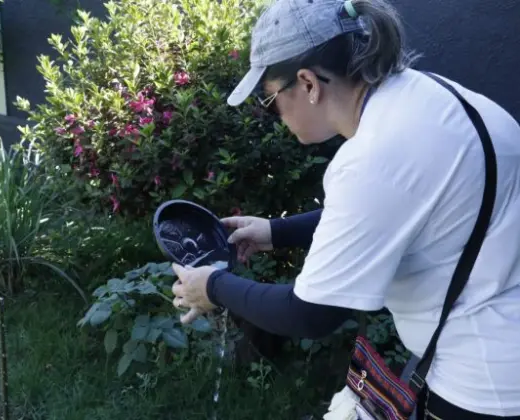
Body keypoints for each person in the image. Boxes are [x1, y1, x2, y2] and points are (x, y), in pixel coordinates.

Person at [170, 0, 520, 418]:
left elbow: (309, 316)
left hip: (484, 386)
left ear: (308, 83)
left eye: (270, 102)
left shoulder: (374, 157)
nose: (276, 117)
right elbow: (400, 212)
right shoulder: (432, 97)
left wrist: (212, 287)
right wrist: (276, 232)